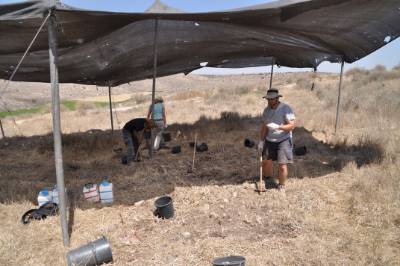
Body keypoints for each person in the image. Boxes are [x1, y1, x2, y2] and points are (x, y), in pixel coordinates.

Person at [258, 88, 295, 190]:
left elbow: (292, 126)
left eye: (271, 99)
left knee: (282, 166)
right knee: (266, 162)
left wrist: (279, 127)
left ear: (277, 98)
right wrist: (261, 141)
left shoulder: (286, 108)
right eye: (268, 99)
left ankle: (281, 185)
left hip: (283, 140)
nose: (269, 101)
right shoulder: (266, 110)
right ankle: (268, 179)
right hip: (270, 140)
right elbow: (264, 127)